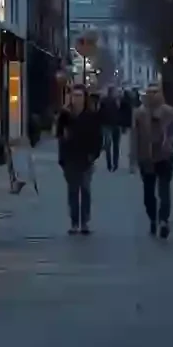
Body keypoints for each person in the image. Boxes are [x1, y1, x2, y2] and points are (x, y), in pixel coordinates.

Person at [130, 83, 173, 238]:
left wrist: (172, 145)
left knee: (164, 190)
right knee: (149, 192)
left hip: (164, 156)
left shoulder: (169, 112)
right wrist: (133, 158)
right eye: (150, 93)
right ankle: (153, 218)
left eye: (155, 93)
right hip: (146, 157)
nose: (153, 96)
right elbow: (134, 137)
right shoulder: (139, 113)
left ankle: (163, 219)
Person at [56, 84, 103, 235]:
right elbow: (58, 135)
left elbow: (98, 138)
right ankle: (75, 222)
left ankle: (85, 221)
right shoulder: (65, 115)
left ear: (85, 98)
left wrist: (93, 155)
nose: (77, 99)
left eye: (79, 96)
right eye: (74, 96)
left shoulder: (91, 116)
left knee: (85, 189)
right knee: (73, 191)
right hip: (69, 158)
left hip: (86, 159)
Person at [99, 87, 123, 171]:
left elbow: (100, 113)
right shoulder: (117, 101)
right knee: (114, 146)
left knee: (109, 145)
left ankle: (110, 164)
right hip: (112, 125)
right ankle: (114, 164)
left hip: (108, 125)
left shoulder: (104, 101)